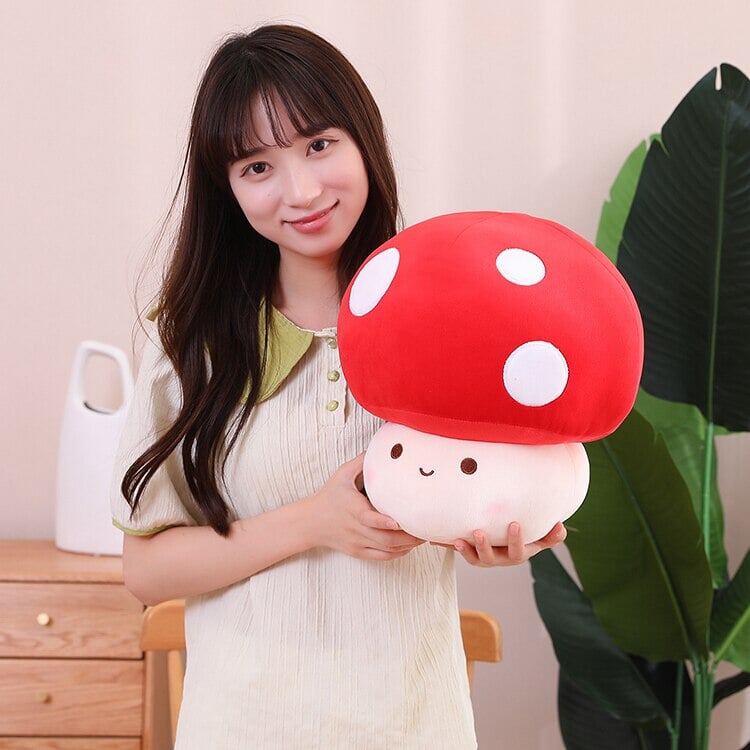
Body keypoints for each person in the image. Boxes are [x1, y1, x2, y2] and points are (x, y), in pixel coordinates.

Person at [111, 24, 566, 749]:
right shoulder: (192, 343)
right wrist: (314, 522)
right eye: (257, 166)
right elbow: (146, 571)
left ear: (363, 141)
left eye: (319, 145)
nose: (301, 190)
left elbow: (487, 478)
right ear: (227, 189)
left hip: (413, 729)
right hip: (244, 730)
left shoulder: (447, 317)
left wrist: (503, 527)